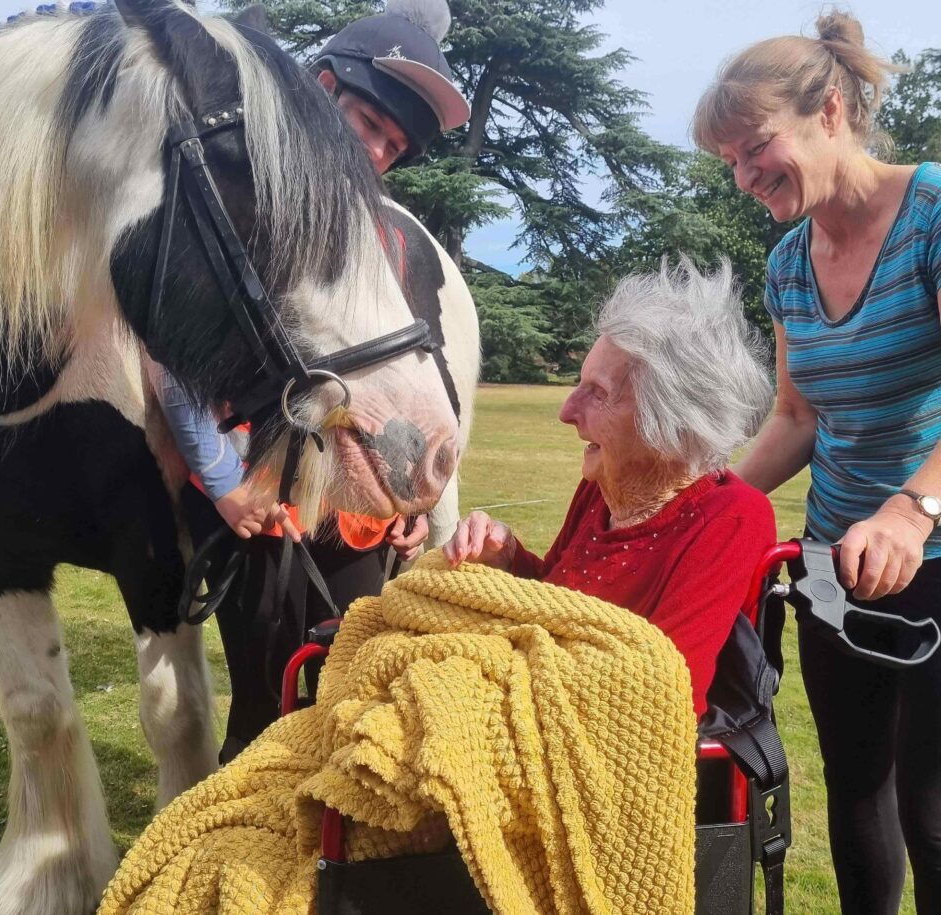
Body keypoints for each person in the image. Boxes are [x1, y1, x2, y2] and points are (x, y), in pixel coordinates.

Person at [159, 0, 472, 761]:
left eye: (392, 146)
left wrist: (414, 501)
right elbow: (172, 360)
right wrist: (226, 480)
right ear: (322, 88)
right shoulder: (241, 214)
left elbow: (404, 380)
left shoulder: (385, 244)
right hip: (266, 513)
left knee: (347, 708)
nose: (375, 155)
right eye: (368, 126)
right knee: (264, 711)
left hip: (356, 523)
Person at [696, 13, 941, 912]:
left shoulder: (933, 212)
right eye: (731, 162)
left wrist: (912, 511)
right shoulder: (789, 262)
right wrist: (703, 497)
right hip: (835, 563)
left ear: (829, 111)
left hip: (932, 549)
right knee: (854, 786)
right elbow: (796, 417)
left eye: (757, 147)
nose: (746, 175)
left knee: (933, 803)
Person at [444, 260, 776, 715]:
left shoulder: (733, 517)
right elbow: (553, 599)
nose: (566, 411)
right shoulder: (603, 484)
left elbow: (667, 687)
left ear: (674, 423)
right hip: (530, 701)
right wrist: (506, 559)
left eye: (597, 392)